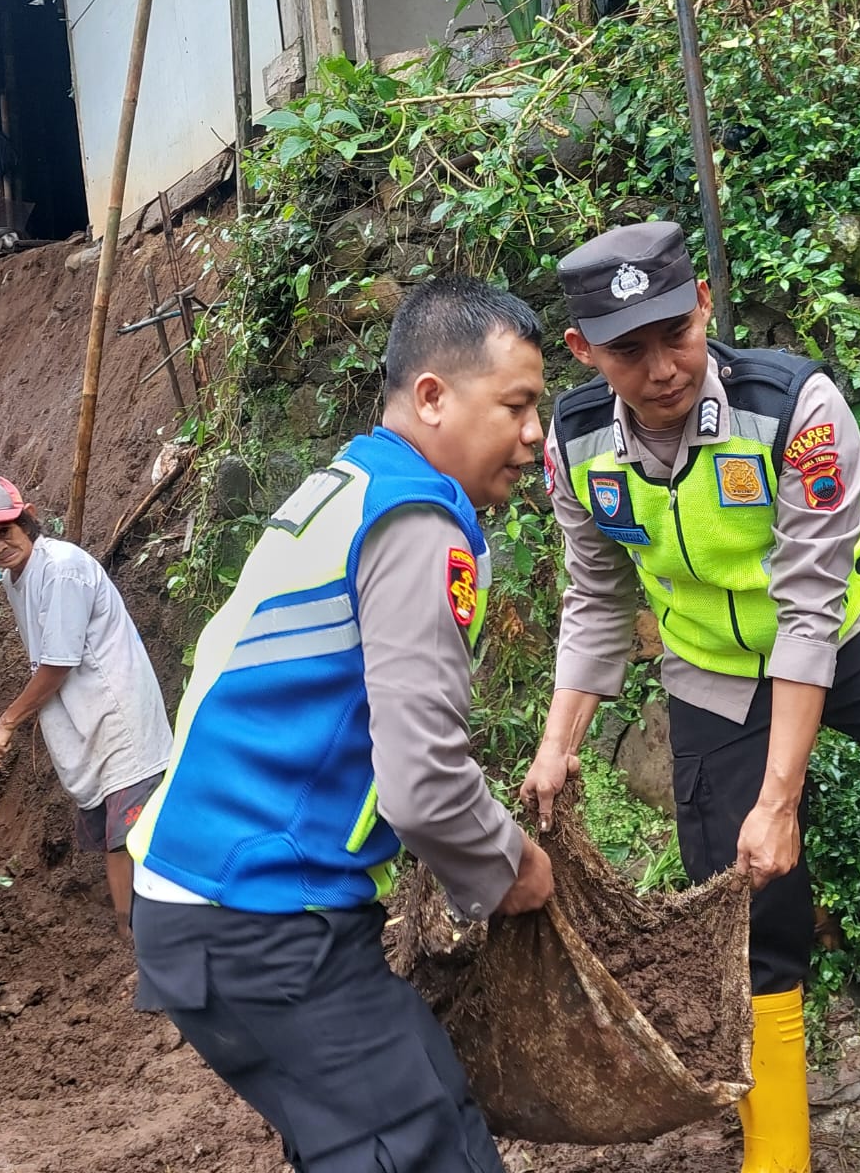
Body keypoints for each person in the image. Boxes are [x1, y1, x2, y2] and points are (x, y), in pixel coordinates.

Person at [518, 222, 860, 1170]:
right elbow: (595, 597)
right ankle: (778, 1151)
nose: (662, 369)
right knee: (745, 905)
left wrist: (779, 799)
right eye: (628, 351)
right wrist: (558, 744)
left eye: (676, 334)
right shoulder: (575, 441)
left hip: (846, 623)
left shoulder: (795, 406)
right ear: (583, 350)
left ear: (704, 307)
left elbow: (808, 608)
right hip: (712, 668)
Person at [127, 276, 555, 1172]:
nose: (534, 436)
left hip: (211, 901)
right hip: (261, 916)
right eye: (516, 406)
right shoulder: (417, 523)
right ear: (432, 397)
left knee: (384, 1129)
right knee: (425, 1145)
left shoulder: (347, 487)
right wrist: (510, 865)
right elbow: (423, 785)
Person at [0, 475, 172, 944]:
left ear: (27, 519)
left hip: (117, 712)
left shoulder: (62, 569)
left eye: (5, 531)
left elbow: (58, 663)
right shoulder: (17, 577)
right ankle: (135, 934)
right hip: (82, 714)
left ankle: (135, 937)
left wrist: (6, 723)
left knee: (127, 835)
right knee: (112, 829)